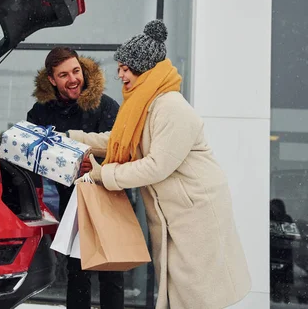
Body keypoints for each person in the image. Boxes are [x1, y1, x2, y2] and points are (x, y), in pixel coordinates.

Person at [69, 20, 251, 309]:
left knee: (197, 295)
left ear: (143, 68)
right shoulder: (144, 104)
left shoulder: (171, 107)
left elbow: (156, 165)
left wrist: (106, 174)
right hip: (174, 215)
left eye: (125, 68)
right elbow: (119, 139)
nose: (119, 74)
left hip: (195, 215)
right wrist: (73, 139)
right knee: (180, 291)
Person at [26, 47, 123, 309]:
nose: (73, 79)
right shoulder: (41, 113)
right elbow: (31, 157)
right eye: (64, 74)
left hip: (108, 198)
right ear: (51, 79)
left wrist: (92, 165)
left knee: (111, 271)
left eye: (76, 71)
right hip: (71, 202)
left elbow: (121, 149)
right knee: (77, 272)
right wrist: (68, 166)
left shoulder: (105, 105)